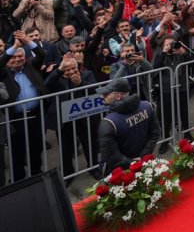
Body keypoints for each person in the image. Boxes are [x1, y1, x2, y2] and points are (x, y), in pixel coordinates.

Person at [44, 54, 100, 183]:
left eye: (73, 68)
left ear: (77, 67)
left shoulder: (87, 74)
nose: (70, 72)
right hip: (64, 119)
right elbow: (47, 85)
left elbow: (95, 90)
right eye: (67, 69)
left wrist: (80, 83)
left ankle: (93, 167)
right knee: (65, 147)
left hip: (84, 116)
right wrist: (58, 70)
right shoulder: (57, 78)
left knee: (89, 143)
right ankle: (68, 173)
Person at [0, 47, 47, 182]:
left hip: (35, 115)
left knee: (36, 145)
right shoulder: (3, 72)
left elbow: (41, 54)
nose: (17, 59)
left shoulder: (31, 66)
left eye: (20, 56)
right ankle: (18, 178)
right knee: (17, 150)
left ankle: (36, 172)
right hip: (15, 118)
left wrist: (27, 41)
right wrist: (13, 47)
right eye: (13, 57)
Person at [97, 77, 160, 175]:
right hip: (144, 164)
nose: (102, 97)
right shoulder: (147, 106)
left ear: (118, 96)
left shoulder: (108, 122)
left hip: (120, 173)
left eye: (106, 94)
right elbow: (155, 134)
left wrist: (134, 163)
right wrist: (143, 157)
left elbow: (111, 156)